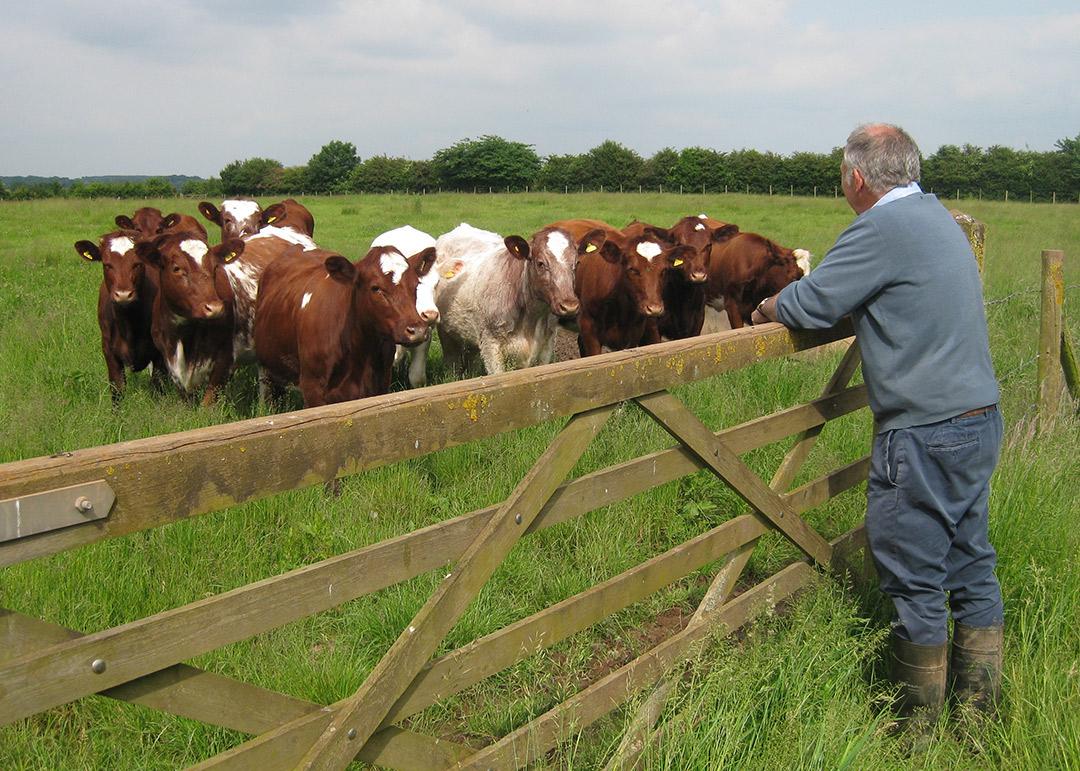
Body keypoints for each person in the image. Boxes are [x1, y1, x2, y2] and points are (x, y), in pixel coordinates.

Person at [752, 123, 1004, 741]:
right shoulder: (935, 215)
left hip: (924, 431)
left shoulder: (881, 228)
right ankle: (977, 718)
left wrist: (765, 309)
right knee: (970, 558)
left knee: (913, 569)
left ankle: (915, 729)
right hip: (978, 419)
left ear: (855, 179)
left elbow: (811, 303)